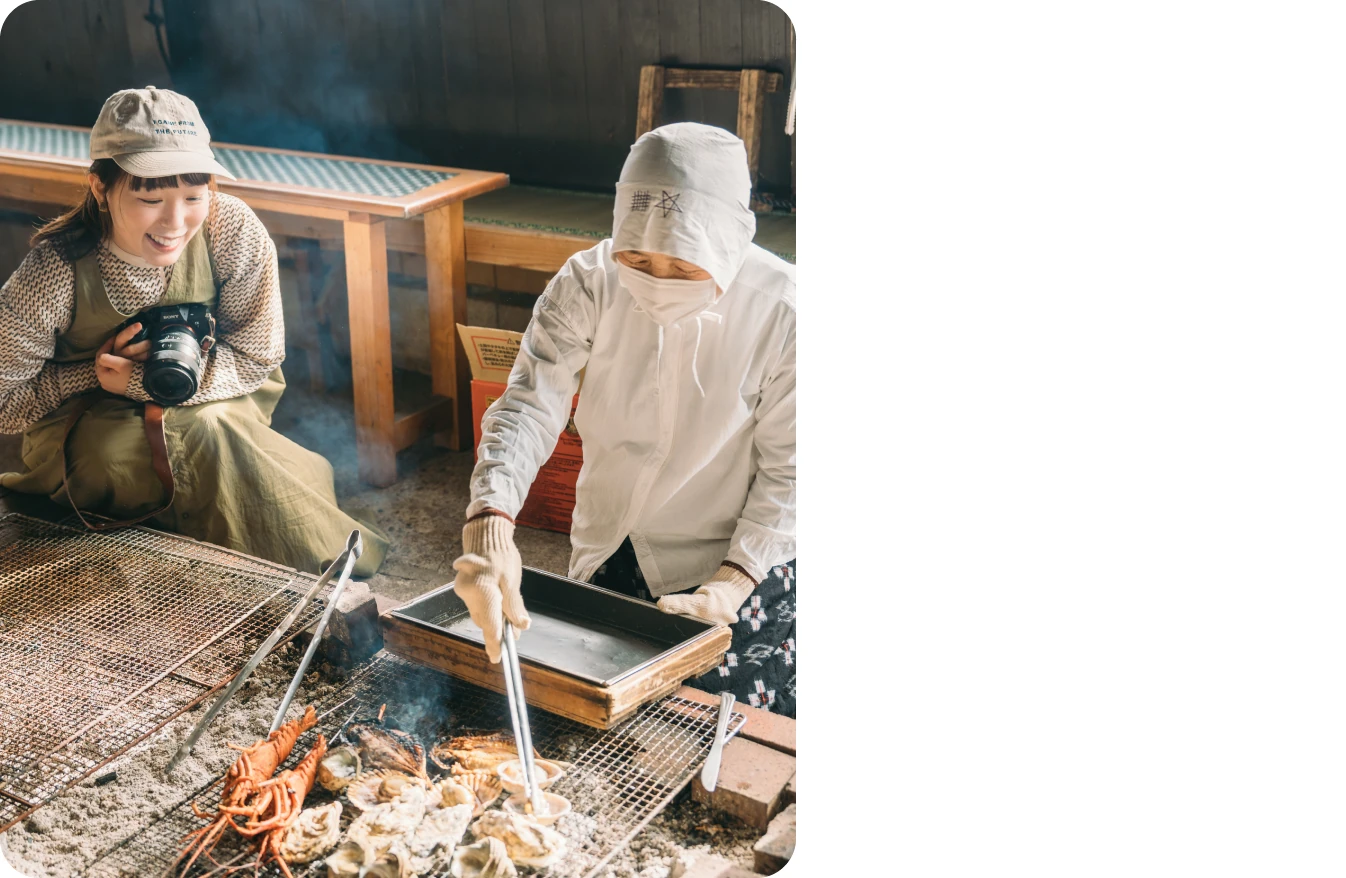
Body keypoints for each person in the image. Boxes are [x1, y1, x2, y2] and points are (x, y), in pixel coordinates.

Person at [451, 123, 796, 716]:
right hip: (615, 539)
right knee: (589, 700)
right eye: (637, 257)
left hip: (735, 551)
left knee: (717, 721)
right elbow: (529, 406)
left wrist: (733, 582)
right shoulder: (587, 283)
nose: (657, 280)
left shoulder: (785, 312)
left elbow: (793, 473)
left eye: (684, 267)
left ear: (730, 244)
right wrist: (490, 523)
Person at [0, 86, 387, 578]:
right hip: (87, 419)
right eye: (149, 197)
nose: (175, 222)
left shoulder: (232, 230)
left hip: (214, 395)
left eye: (193, 196)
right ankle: (247, 556)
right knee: (120, 458)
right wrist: (95, 375)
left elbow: (256, 353)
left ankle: (231, 565)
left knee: (209, 428)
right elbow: (4, 403)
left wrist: (141, 382)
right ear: (99, 187)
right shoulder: (51, 273)